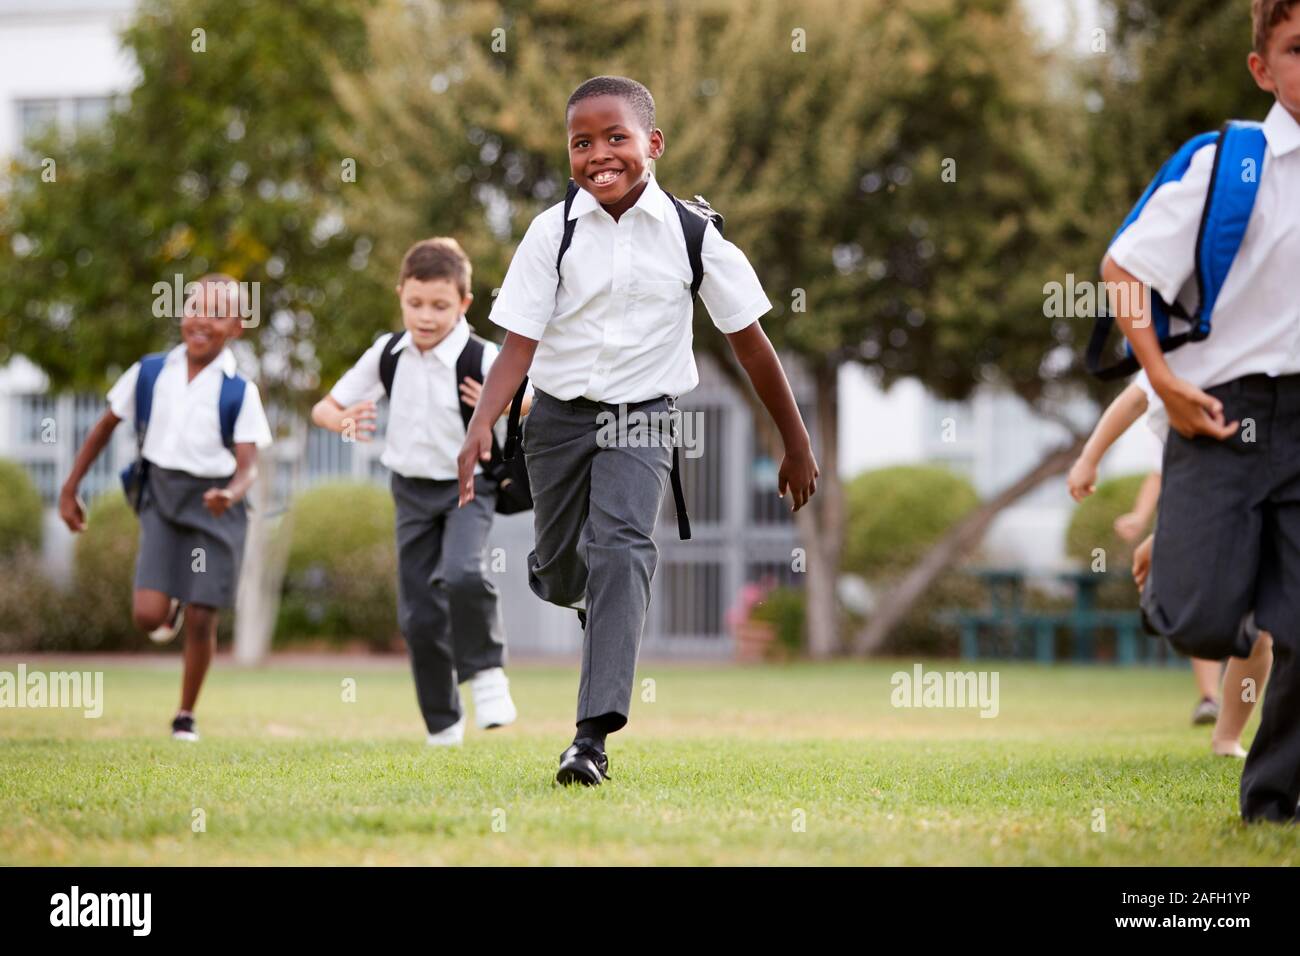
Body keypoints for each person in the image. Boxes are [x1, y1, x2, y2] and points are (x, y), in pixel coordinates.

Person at [456, 75, 819, 785]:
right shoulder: (549, 233)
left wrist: (795, 441)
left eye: (615, 137)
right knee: (563, 568)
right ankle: (581, 588)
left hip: (645, 419)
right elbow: (518, 347)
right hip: (556, 419)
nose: (599, 155)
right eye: (581, 142)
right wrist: (481, 424)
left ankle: (588, 742)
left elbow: (752, 345)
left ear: (651, 144)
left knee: (623, 548)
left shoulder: (693, 237)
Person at [1100, 0, 1300, 820]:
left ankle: (1275, 801)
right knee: (1198, 617)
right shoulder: (1232, 165)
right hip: (1220, 413)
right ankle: (1183, 554)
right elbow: (1123, 268)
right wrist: (1162, 378)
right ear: (1263, 68)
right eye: (1297, 49)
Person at [313, 238, 524, 746]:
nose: (425, 317)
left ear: (463, 305)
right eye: (415, 304)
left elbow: (532, 402)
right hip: (409, 492)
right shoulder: (387, 353)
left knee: (463, 573)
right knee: (418, 617)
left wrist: (498, 403)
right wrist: (343, 420)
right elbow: (324, 408)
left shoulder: (484, 356)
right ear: (401, 295)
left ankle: (488, 673)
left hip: (467, 487)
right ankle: (443, 723)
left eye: (440, 306)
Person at [59, 274, 272, 741]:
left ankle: (185, 715)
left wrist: (231, 494)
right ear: (181, 313)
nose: (202, 321)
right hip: (161, 498)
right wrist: (70, 487)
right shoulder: (150, 372)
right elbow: (103, 427)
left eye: (218, 315)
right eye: (195, 308)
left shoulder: (240, 391)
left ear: (236, 327)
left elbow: (248, 467)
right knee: (148, 617)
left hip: (216, 506)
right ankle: (170, 603)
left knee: (202, 614)